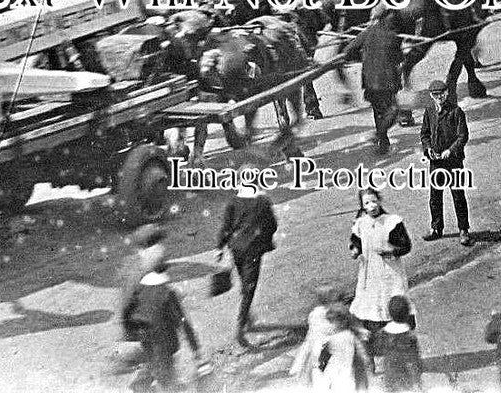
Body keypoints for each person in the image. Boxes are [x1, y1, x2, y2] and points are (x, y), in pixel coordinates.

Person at [123, 254, 204, 392]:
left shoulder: (140, 290)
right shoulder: (167, 293)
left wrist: (134, 333)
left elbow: (127, 314)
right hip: (166, 345)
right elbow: (183, 323)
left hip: (147, 342)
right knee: (169, 384)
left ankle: (144, 382)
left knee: (155, 371)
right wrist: (196, 351)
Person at [216, 167, 278, 347]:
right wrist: (263, 237)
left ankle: (248, 317)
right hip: (252, 249)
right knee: (249, 288)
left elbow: (225, 226)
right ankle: (240, 327)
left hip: (236, 248)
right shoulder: (263, 201)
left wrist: (219, 247)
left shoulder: (232, 202)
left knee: (245, 282)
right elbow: (272, 225)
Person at [349, 189, 413, 363]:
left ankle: (398, 351)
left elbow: (406, 245)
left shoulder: (392, 222)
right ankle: (371, 356)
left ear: (379, 200)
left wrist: (391, 251)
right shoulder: (361, 223)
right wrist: (355, 251)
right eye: (367, 203)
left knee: (393, 307)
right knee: (370, 312)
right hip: (369, 274)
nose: (372, 206)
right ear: (362, 207)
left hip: (390, 273)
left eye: (374, 201)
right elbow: (356, 242)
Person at [420, 80, 472, 246]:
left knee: (458, 196)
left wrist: (451, 150)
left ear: (447, 93)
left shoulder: (456, 111)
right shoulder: (429, 112)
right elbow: (425, 134)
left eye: (442, 93)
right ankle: (436, 228)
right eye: (435, 95)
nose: (439, 97)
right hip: (436, 162)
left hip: (453, 161)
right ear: (431, 96)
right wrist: (428, 149)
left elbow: (463, 136)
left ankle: (463, 230)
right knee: (435, 197)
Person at [348, 14, 405, 155]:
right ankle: (380, 133)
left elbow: (349, 50)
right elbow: (399, 57)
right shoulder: (393, 36)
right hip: (387, 82)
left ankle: (383, 141)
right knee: (393, 110)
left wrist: (362, 56)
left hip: (369, 81)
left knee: (378, 111)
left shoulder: (366, 33)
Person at [292, 284, 344, 386]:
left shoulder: (323, 312)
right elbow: (326, 329)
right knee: (320, 368)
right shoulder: (320, 313)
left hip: (320, 343)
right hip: (321, 344)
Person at [314, 303, 371, 392]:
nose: (330, 325)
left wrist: (321, 367)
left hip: (344, 365)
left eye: (332, 322)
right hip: (341, 366)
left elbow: (323, 356)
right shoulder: (348, 335)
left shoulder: (338, 337)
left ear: (342, 322)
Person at [376, 296, 423, 392]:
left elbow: (378, 349)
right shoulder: (409, 336)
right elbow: (415, 358)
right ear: (407, 315)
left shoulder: (383, 333)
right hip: (407, 373)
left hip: (390, 371)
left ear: (389, 314)